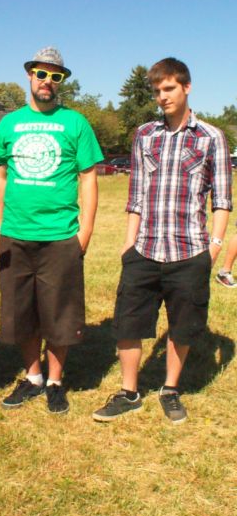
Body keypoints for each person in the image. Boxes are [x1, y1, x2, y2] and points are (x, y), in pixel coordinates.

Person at [93, 57, 233, 425]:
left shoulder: (211, 137)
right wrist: (128, 243)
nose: (162, 97)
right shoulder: (145, 134)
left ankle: (170, 389)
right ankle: (129, 392)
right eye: (157, 91)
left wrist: (214, 246)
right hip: (144, 248)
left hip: (190, 251)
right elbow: (136, 195)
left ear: (186, 87)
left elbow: (222, 200)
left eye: (169, 88)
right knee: (128, 323)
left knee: (182, 326)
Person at [0, 46, 102, 414]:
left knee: (59, 314)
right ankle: (33, 376)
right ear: (30, 75)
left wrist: (85, 231)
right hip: (15, 234)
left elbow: (88, 177)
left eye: (56, 76)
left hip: (60, 236)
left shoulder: (76, 123)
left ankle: (54, 381)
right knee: (21, 312)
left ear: (61, 81)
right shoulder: (9, 124)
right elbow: (0, 176)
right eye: (41, 73)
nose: (47, 81)